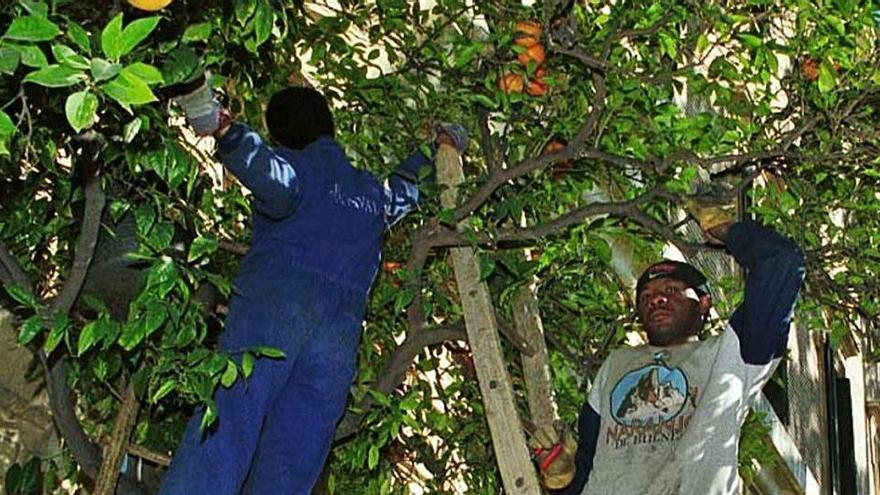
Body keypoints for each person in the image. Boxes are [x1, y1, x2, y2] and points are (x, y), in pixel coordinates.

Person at [159, 81, 466, 494]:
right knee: (293, 458)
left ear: (282, 138)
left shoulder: (299, 171)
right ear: (330, 129)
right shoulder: (369, 192)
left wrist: (225, 131)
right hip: (336, 342)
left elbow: (271, 177)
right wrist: (437, 149)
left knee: (228, 425)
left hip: (274, 315)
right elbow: (404, 189)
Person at [530, 210, 806, 494]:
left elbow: (782, 264)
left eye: (673, 290)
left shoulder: (732, 354)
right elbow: (588, 467)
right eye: (646, 297)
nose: (657, 299)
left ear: (704, 303)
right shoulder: (616, 364)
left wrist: (728, 230)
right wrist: (563, 477)